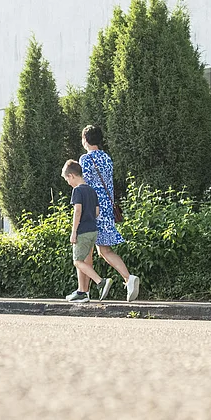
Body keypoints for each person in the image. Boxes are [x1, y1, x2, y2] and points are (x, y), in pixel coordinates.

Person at [79, 125, 139, 301]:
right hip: (107, 208)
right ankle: (128, 279)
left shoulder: (85, 159)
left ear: (85, 140)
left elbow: (86, 186)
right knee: (104, 249)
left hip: (93, 209)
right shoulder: (107, 158)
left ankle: (85, 291)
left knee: (86, 252)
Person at [62, 160, 107, 303]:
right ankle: (82, 292)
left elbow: (77, 211)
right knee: (86, 261)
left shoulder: (77, 190)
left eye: (67, 179)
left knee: (77, 261)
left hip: (82, 231)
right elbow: (97, 212)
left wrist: (73, 231)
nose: (68, 183)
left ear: (71, 176)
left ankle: (101, 282)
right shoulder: (91, 190)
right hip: (93, 230)